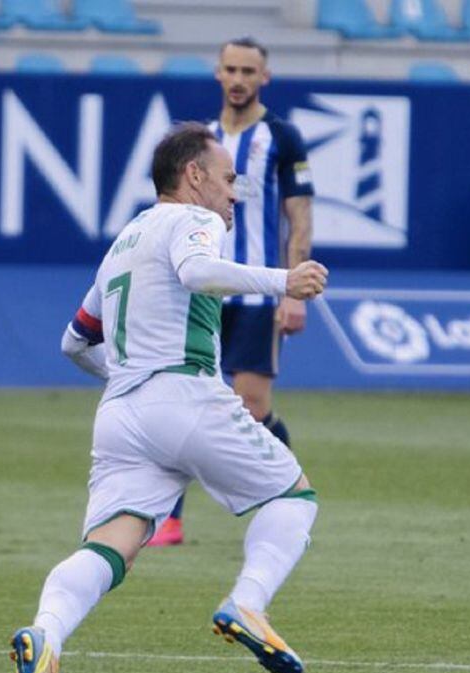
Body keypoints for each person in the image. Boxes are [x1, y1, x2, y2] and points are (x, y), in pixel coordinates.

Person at [9, 123, 329, 673]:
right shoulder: (194, 221)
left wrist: (131, 372)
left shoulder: (125, 240)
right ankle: (247, 604)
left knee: (113, 547)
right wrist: (284, 280)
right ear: (195, 175)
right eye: (229, 179)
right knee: (294, 495)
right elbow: (196, 274)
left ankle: (45, 635)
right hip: (184, 393)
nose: (235, 194)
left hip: (121, 413)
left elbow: (74, 342)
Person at [148, 36, 315, 547]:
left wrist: (293, 292)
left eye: (249, 70)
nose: (239, 79)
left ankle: (290, 485)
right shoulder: (206, 144)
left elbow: (299, 218)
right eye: (231, 69)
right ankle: (168, 519)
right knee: (176, 398)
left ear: (265, 77)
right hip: (201, 292)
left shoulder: (282, 138)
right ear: (217, 74)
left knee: (250, 408)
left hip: (259, 295)